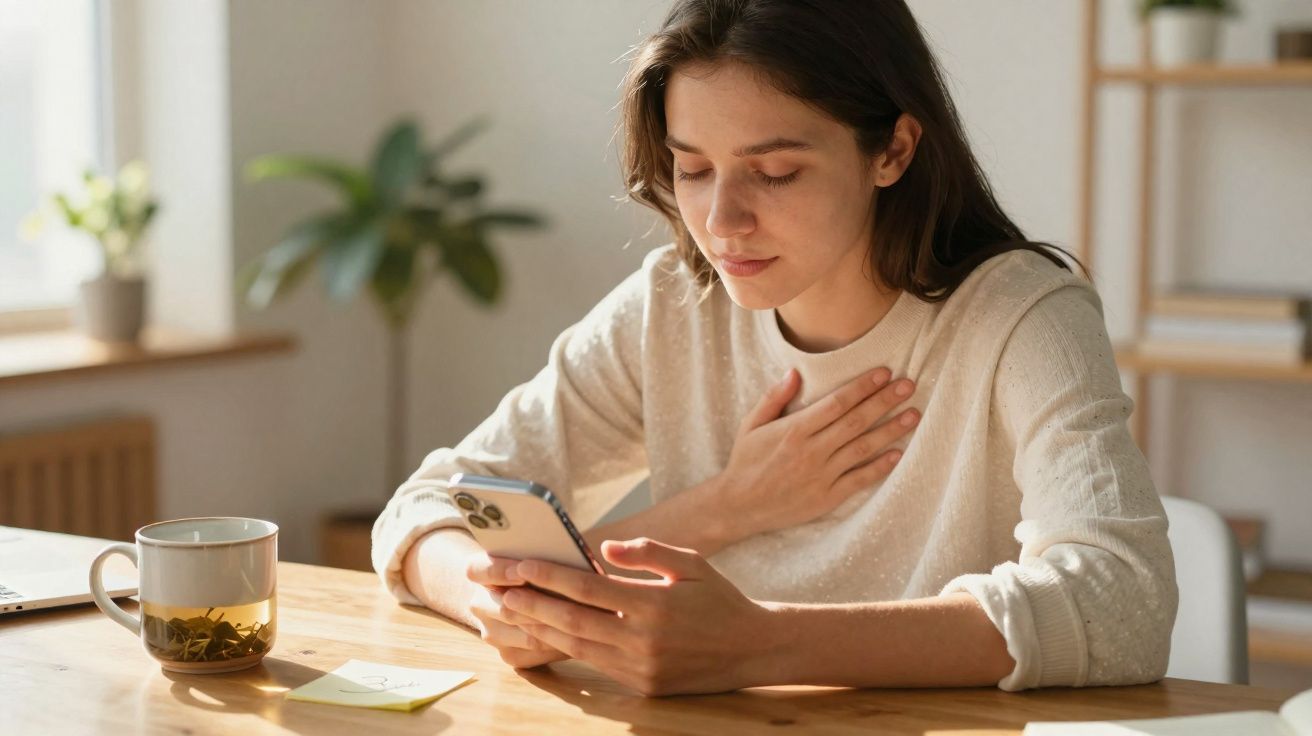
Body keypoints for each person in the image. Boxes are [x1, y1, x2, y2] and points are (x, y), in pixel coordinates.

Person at [371, 0, 1177, 696]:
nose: (722, 220)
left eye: (777, 172)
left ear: (893, 150)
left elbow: (1121, 603)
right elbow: (425, 509)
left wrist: (760, 644)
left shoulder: (1020, 317)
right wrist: (723, 509)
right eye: (692, 169)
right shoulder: (671, 306)